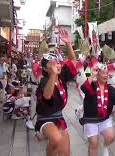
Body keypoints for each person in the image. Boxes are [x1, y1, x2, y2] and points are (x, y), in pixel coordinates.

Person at [35, 28, 77, 156]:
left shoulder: (62, 75)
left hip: (59, 116)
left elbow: (73, 61)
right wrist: (53, 74)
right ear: (45, 68)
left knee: (65, 152)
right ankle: (41, 134)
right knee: (57, 139)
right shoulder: (44, 81)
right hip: (45, 118)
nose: (57, 65)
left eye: (58, 63)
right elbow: (47, 96)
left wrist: (68, 43)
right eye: (53, 64)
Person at [79, 62, 115, 156]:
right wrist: (92, 74)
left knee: (111, 137)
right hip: (90, 119)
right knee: (93, 143)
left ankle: (105, 147)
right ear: (98, 74)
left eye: (107, 73)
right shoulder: (92, 85)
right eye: (103, 73)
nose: (105, 75)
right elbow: (84, 88)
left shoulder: (111, 89)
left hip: (104, 119)